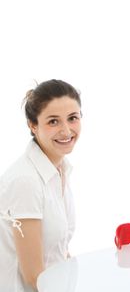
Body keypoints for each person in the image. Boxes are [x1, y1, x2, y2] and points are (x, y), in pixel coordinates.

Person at [0, 79, 82, 291]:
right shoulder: (26, 181)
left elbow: (58, 252)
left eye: (72, 118)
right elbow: (34, 276)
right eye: (53, 121)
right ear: (32, 125)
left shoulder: (60, 170)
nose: (66, 131)